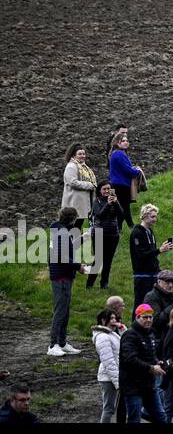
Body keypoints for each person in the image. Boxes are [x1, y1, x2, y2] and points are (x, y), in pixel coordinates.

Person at [119, 304, 169, 424]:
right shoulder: (130, 335)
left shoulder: (150, 334)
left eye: (150, 317)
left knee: (161, 417)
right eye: (145, 317)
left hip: (149, 386)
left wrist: (156, 362)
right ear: (137, 317)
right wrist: (151, 368)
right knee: (134, 419)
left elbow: (149, 355)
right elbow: (130, 359)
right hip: (133, 386)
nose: (148, 320)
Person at [47, 206, 82, 357]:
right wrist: (78, 266)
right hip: (61, 276)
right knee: (60, 311)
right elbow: (60, 256)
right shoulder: (61, 232)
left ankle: (62, 342)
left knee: (65, 311)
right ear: (72, 219)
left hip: (63, 275)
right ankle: (53, 345)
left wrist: (81, 239)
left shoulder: (60, 231)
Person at [129, 203, 173, 307]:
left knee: (153, 304)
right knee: (141, 304)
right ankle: (136, 323)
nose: (155, 219)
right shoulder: (137, 232)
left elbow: (151, 253)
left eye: (155, 216)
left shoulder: (150, 231)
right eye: (152, 216)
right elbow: (140, 255)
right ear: (144, 216)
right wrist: (159, 250)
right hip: (142, 275)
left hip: (153, 273)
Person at [87, 182, 127, 288]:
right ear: (100, 190)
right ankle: (89, 284)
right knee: (98, 259)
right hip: (99, 233)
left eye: (108, 189)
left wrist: (116, 202)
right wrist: (108, 204)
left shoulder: (114, 200)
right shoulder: (97, 201)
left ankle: (104, 283)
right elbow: (100, 215)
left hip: (113, 234)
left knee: (108, 260)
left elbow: (122, 213)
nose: (106, 191)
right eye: (104, 189)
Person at [108, 131, 145, 225]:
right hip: (120, 185)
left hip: (116, 185)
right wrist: (138, 172)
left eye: (127, 140)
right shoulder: (119, 154)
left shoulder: (116, 153)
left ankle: (127, 227)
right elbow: (127, 170)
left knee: (122, 208)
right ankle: (127, 227)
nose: (126, 142)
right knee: (123, 208)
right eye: (123, 140)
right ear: (117, 142)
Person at [92, 308, 121, 423]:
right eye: (112, 318)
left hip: (114, 376)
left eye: (115, 318)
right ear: (104, 320)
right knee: (109, 408)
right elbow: (108, 362)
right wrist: (117, 382)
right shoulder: (103, 337)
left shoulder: (111, 334)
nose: (114, 320)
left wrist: (123, 330)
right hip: (108, 378)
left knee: (113, 408)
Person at [61, 143, 96, 227]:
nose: (82, 156)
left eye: (83, 154)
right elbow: (72, 182)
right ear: (74, 155)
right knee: (73, 225)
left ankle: (75, 239)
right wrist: (89, 185)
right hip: (74, 202)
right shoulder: (71, 166)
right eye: (79, 154)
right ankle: (70, 239)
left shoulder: (83, 166)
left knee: (78, 224)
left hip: (80, 202)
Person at [141, 271, 173, 345]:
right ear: (159, 281)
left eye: (172, 282)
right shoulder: (151, 297)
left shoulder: (171, 296)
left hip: (172, 337)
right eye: (167, 282)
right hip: (157, 339)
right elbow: (156, 320)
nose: (170, 285)